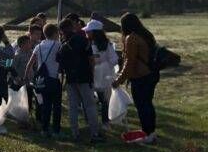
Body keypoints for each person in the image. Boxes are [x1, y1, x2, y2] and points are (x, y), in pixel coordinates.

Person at [113, 13, 159, 143]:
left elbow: (130, 62)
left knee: (142, 105)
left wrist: (119, 80)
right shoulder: (146, 35)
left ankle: (148, 133)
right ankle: (151, 132)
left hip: (140, 76)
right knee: (148, 104)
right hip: (151, 74)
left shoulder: (131, 38)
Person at [57, 18, 102, 142]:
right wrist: (92, 75)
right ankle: (94, 133)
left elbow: (59, 63)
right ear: (72, 27)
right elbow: (91, 60)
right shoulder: (84, 40)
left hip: (70, 79)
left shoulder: (62, 45)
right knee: (90, 106)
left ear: (61, 31)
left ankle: (75, 133)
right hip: (85, 77)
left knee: (73, 107)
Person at [26, 23, 62, 137]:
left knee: (45, 105)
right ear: (55, 33)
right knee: (56, 106)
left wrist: (27, 76)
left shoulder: (39, 46)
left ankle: (44, 129)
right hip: (54, 78)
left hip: (42, 79)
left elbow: (30, 64)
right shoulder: (58, 44)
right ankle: (56, 130)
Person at [84, 20, 118, 132]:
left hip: (104, 76)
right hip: (90, 74)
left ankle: (105, 122)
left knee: (104, 100)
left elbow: (114, 59)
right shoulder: (87, 43)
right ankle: (90, 121)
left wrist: (102, 64)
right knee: (90, 99)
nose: (86, 33)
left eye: (89, 31)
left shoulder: (107, 45)